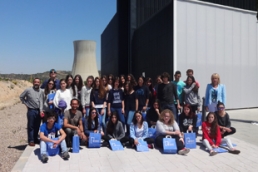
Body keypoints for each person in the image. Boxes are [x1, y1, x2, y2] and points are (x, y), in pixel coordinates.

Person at [20, 78, 42, 146]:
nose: (36, 83)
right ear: (33, 83)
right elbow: (21, 97)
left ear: (39, 83)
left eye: (38, 82)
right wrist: (26, 104)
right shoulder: (28, 90)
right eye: (35, 82)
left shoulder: (41, 91)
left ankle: (35, 139)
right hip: (31, 110)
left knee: (37, 126)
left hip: (39, 111)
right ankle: (31, 140)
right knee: (31, 126)